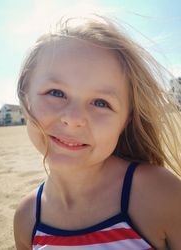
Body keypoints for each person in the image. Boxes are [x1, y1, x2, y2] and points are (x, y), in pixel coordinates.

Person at [13, 12, 181, 250]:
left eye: (101, 102)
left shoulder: (158, 195)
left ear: (126, 120)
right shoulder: (27, 218)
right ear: (25, 97)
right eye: (56, 93)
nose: (73, 119)